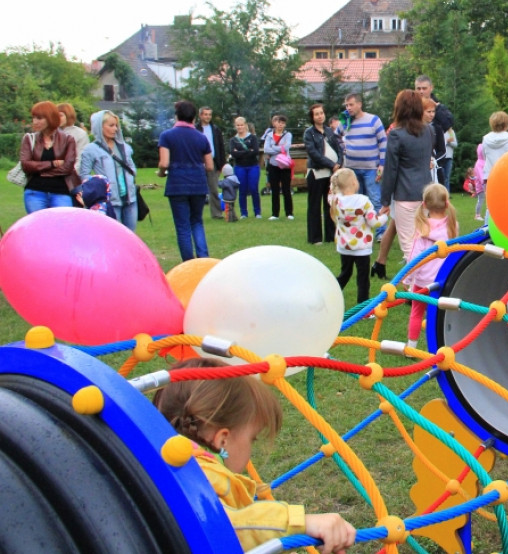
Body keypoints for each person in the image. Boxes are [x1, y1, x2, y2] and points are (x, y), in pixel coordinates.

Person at [153, 358, 356, 553]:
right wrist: (302, 523)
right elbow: (224, 527)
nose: (252, 446)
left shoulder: (159, 463)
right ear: (223, 440)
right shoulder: (201, 477)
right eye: (253, 438)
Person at [379, 90, 435, 264]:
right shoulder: (428, 131)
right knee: (424, 243)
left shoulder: (396, 134)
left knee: (409, 247)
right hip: (426, 193)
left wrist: (385, 200)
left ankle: (413, 287)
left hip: (405, 195)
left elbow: (390, 170)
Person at [404, 183, 459, 351]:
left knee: (416, 313)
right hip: (442, 279)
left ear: (425, 204)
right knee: (437, 315)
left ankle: (411, 347)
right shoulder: (452, 226)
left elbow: (415, 258)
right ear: (446, 203)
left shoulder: (422, 227)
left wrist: (407, 279)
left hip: (422, 282)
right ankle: (437, 347)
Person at [158, 101, 214, 261]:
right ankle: (203, 258)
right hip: (198, 183)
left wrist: (161, 173)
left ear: (176, 116)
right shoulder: (201, 137)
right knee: (197, 222)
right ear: (194, 117)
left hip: (177, 184)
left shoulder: (167, 136)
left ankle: (188, 262)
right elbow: (209, 166)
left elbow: (164, 163)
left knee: (183, 227)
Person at [329, 168, 388, 304]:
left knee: (345, 273)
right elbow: (374, 222)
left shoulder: (335, 201)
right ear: (354, 183)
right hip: (361, 247)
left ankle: (331, 293)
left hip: (344, 246)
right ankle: (363, 307)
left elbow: (330, 194)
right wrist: (384, 216)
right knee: (363, 279)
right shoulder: (363, 201)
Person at [78, 110, 138, 230]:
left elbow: (132, 168)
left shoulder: (124, 147)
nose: (115, 129)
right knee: (115, 235)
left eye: (116, 125)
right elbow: (84, 175)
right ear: (99, 127)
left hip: (130, 200)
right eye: (111, 125)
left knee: (130, 236)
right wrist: (98, 189)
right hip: (109, 202)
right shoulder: (91, 150)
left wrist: (131, 182)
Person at [20, 101, 80, 214]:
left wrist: (40, 171)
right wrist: (52, 164)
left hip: (60, 192)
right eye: (33, 118)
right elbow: (26, 165)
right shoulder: (29, 139)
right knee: (39, 229)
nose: (34, 122)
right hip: (35, 192)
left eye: (39, 118)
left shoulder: (68, 140)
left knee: (62, 228)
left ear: (50, 118)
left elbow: (67, 168)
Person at [304, 103, 343, 245]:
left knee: (330, 204)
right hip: (317, 172)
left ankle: (330, 235)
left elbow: (339, 148)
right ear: (312, 117)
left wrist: (339, 162)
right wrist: (331, 164)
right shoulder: (309, 133)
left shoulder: (329, 131)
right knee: (314, 205)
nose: (320, 116)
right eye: (317, 114)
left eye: (321, 113)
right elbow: (313, 153)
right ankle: (315, 238)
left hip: (331, 174)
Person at [341, 93, 386, 213]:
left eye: (351, 105)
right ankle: (361, 230)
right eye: (346, 105)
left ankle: (380, 231)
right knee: (355, 202)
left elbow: (383, 141)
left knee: (375, 200)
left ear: (359, 104)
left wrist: (382, 164)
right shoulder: (346, 122)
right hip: (352, 169)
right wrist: (342, 148)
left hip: (371, 168)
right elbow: (334, 137)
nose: (348, 108)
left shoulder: (373, 120)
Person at [415, 75, 455, 191]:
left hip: (434, 157)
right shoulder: (411, 105)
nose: (421, 91)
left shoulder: (437, 106)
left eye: (424, 88)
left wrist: (437, 109)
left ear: (431, 88)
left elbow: (449, 123)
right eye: (418, 88)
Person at [481, 111, 508, 211]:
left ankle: (488, 225)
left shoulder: (486, 139)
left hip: (490, 175)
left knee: (490, 207)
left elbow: (485, 156)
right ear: (506, 124)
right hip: (507, 177)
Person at [229, 116, 261, 219]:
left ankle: (257, 212)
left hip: (253, 166)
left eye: (242, 125)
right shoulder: (233, 140)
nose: (240, 127)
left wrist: (240, 152)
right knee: (242, 189)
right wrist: (247, 152)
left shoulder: (252, 138)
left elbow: (255, 151)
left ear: (246, 125)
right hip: (239, 167)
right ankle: (244, 213)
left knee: (253, 188)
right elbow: (233, 154)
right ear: (235, 126)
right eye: (238, 125)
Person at [196, 107, 226, 220]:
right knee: (198, 190)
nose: (207, 117)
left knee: (213, 188)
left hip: (213, 161)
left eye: (209, 114)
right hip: (198, 162)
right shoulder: (195, 129)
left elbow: (221, 147)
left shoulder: (215, 129)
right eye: (205, 114)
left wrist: (221, 164)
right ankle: (196, 213)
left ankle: (217, 213)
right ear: (200, 116)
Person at [263, 114, 294, 221]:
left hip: (285, 165)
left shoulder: (288, 135)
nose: (280, 125)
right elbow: (266, 149)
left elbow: (286, 147)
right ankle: (275, 213)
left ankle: (289, 212)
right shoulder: (269, 135)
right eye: (278, 122)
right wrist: (279, 148)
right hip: (273, 165)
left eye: (282, 123)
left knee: (286, 189)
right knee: (274, 189)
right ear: (275, 123)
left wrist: (274, 148)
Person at [57, 103, 89, 172]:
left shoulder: (80, 134)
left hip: (72, 175)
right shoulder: (52, 133)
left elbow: (81, 159)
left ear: (68, 116)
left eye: (60, 116)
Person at [473, 143, 487, 221]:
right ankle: (477, 215)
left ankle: (486, 215)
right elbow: (481, 175)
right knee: (480, 199)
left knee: (486, 200)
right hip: (481, 185)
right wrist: (483, 183)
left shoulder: (484, 162)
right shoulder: (479, 163)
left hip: (484, 184)